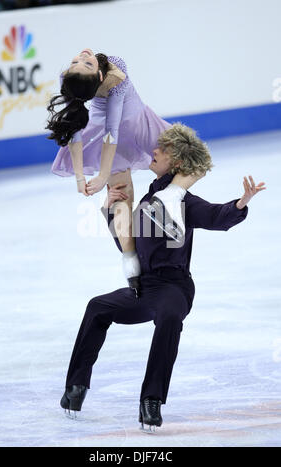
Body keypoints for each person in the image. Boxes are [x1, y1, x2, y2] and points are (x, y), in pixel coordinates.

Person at [59, 123, 266, 431]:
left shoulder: (184, 201)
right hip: (143, 288)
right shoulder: (146, 201)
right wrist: (109, 209)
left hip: (175, 289)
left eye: (164, 150)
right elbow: (126, 244)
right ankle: (76, 388)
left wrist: (240, 203)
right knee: (97, 307)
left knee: (169, 317)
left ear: (178, 161)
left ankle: (151, 400)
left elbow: (216, 217)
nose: (154, 151)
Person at [46, 51, 207, 296]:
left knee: (119, 194)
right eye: (84, 63)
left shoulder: (68, 78)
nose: (81, 56)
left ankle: (130, 260)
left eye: (78, 62)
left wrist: (92, 175)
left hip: (109, 137)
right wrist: (91, 176)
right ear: (100, 75)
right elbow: (109, 131)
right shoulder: (115, 68)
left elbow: (79, 130)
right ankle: (172, 195)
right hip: (139, 127)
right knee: (197, 159)